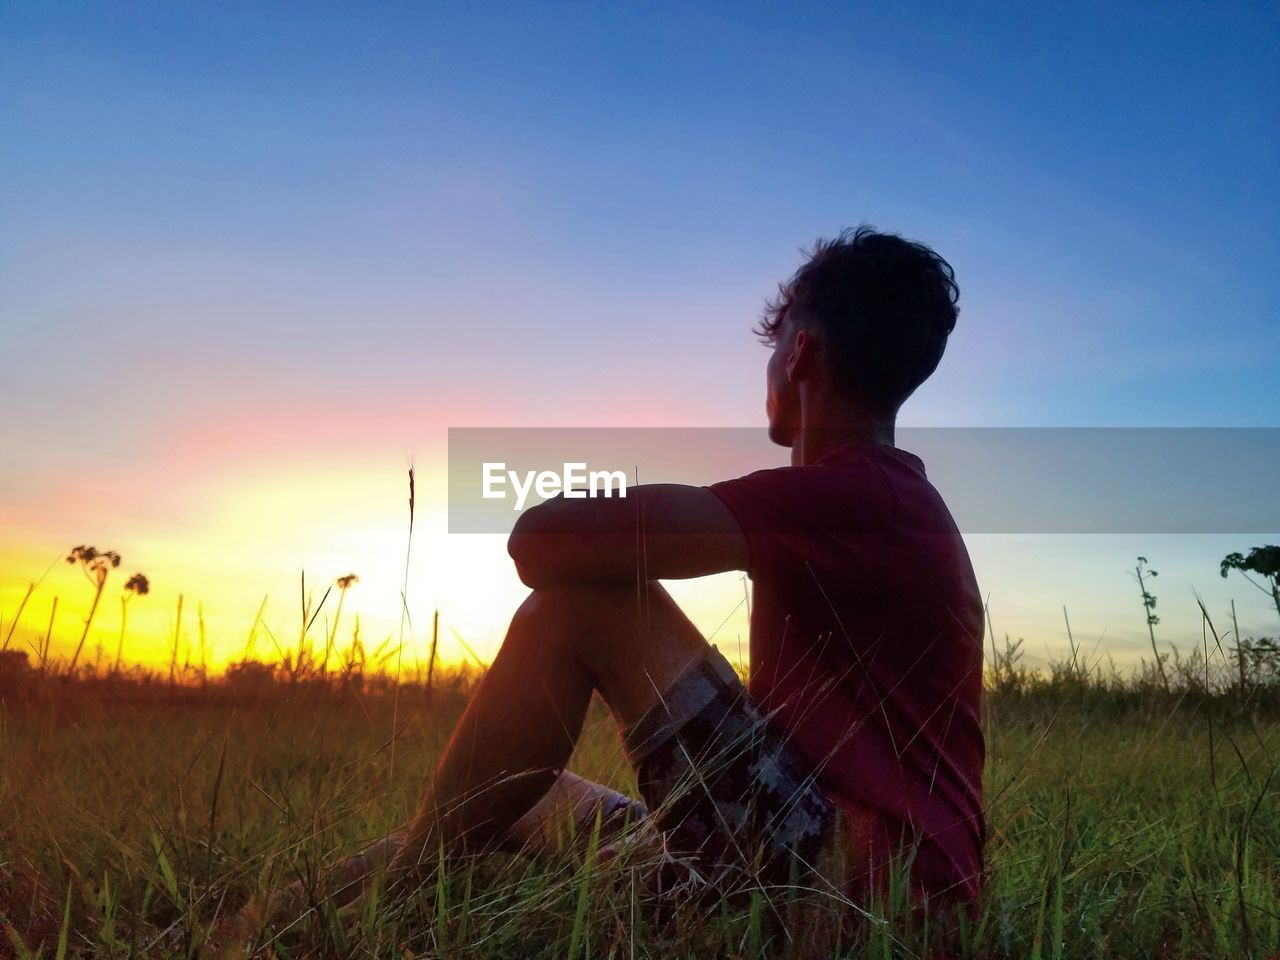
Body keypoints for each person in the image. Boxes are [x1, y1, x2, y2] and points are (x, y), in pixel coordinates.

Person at [225, 224, 985, 951]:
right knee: (538, 793)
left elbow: (542, 541)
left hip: (854, 897)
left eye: (773, 346)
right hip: (826, 864)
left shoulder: (854, 497)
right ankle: (274, 918)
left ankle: (374, 899)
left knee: (584, 601)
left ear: (799, 355)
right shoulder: (880, 502)